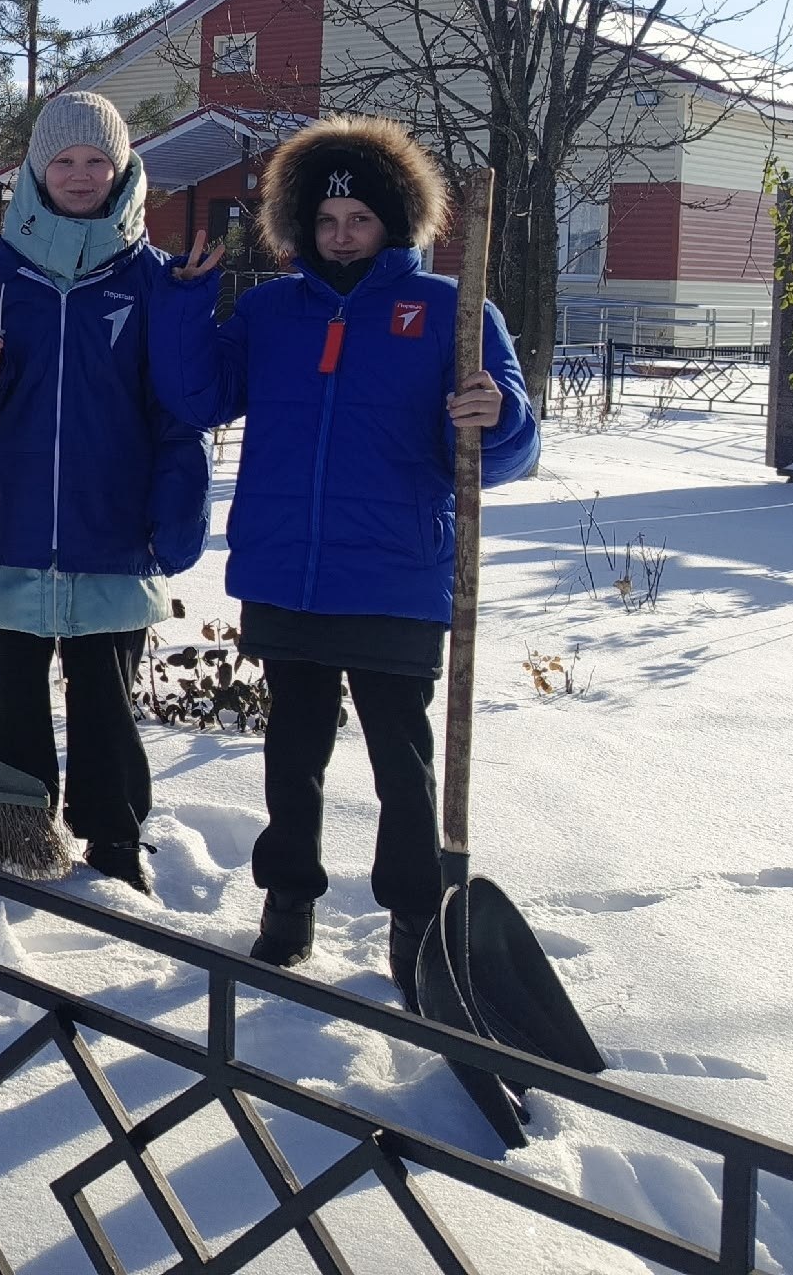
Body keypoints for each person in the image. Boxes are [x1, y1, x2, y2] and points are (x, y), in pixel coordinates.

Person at [149, 116, 536, 1004]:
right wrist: (183, 305)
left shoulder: (454, 313)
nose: (342, 236)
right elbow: (201, 396)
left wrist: (498, 417)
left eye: (360, 219)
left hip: (396, 573)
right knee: (292, 752)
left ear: (395, 221)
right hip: (289, 571)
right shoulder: (270, 312)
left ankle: (416, 921)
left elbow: (509, 448)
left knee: (403, 762)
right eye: (325, 222)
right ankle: (287, 906)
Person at [0, 93, 209, 894]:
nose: (80, 175)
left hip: (110, 531)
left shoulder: (152, 280)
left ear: (121, 169)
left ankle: (115, 841)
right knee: (10, 701)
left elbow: (177, 414)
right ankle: (18, 834)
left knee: (107, 704)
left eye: (96, 161)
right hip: (7, 527)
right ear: (35, 171)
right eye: (64, 160)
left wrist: (175, 516)